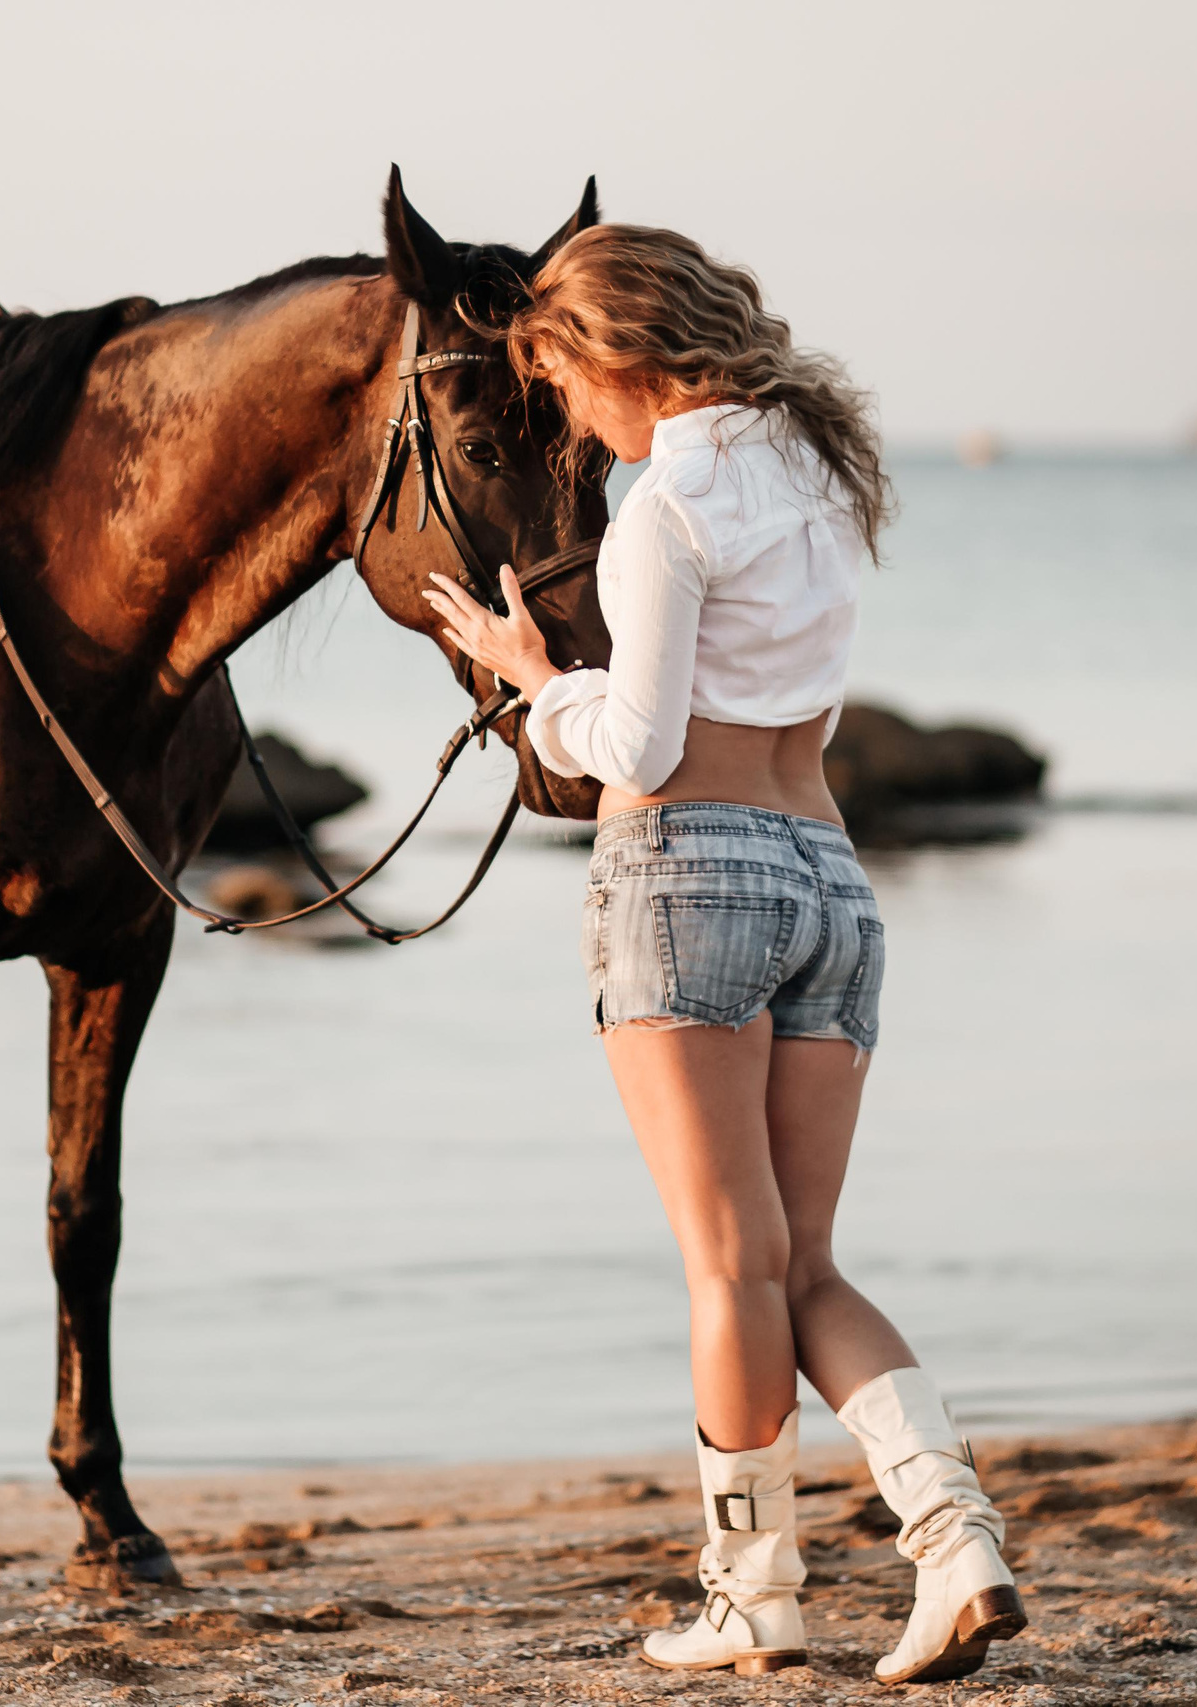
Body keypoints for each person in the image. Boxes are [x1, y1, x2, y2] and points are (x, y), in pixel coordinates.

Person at [423, 224, 1025, 1684]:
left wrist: (532, 685)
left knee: (727, 1268)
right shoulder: (820, 474)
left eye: (562, 382)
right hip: (829, 876)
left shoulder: (659, 510)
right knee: (800, 1262)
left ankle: (754, 1600)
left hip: (690, 873)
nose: (569, 418)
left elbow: (640, 738)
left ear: (611, 360)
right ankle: (953, 1539)